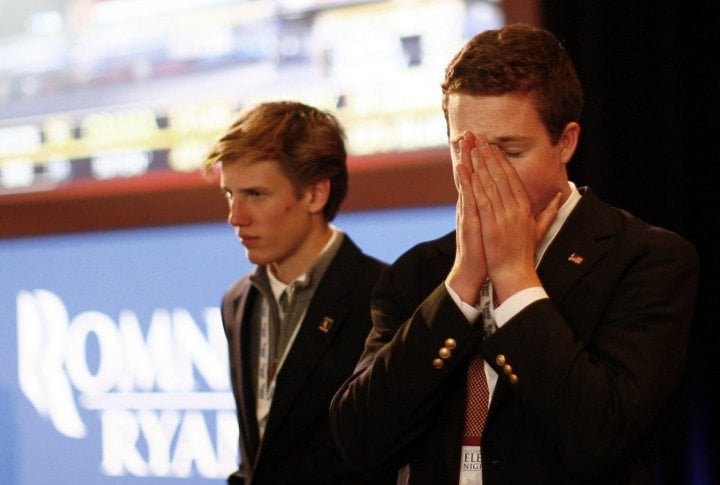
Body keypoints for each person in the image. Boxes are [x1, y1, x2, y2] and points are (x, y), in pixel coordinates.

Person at [329, 23, 699, 484]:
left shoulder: (646, 260)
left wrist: (514, 277)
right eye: (464, 150)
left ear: (566, 141)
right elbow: (360, 441)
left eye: (509, 150)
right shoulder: (422, 271)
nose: (483, 173)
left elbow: (603, 436)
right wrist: (463, 284)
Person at [203, 100, 396, 484]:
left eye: (255, 194)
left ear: (315, 195)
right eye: (230, 194)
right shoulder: (237, 302)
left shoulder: (384, 296)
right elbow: (258, 458)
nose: (235, 216)